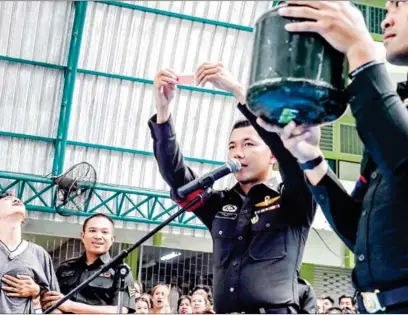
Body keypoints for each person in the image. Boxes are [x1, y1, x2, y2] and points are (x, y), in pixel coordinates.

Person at [256, 1, 408, 313]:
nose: (384, 21)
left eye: (399, 5)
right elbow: (360, 232)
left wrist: (361, 51)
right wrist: (311, 160)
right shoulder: (396, 111)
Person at [149, 62, 316, 313]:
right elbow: (178, 178)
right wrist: (163, 112)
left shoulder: (293, 199)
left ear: (272, 155)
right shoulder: (219, 203)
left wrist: (238, 91)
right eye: (232, 146)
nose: (238, 153)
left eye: (249, 144)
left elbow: (291, 156)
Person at [41, 213, 136, 314]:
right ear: (82, 236)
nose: (98, 236)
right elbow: (51, 301)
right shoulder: (65, 268)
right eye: (92, 230)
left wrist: (70, 306)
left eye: (104, 232)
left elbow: (121, 310)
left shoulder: (121, 270)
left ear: (112, 239)